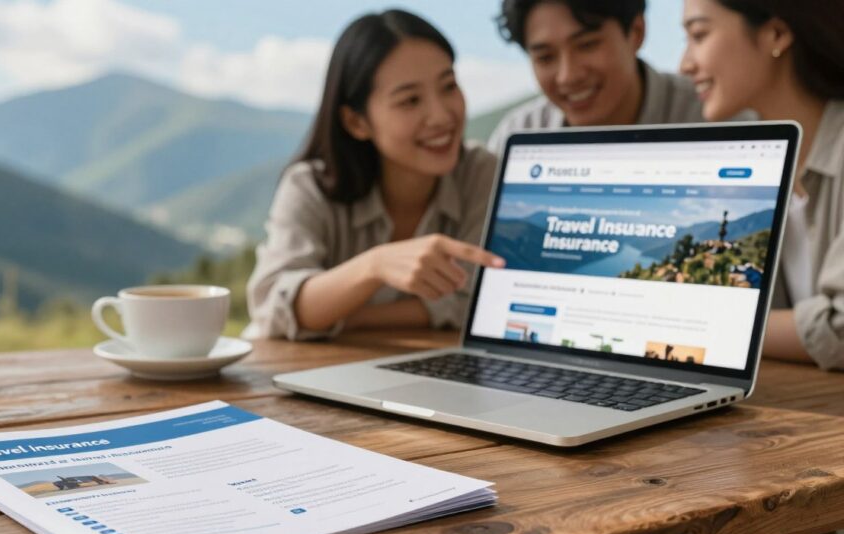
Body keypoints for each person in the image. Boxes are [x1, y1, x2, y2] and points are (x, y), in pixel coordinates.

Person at [246, 10, 505, 340]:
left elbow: (477, 303)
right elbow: (274, 306)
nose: (441, 116)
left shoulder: (481, 174)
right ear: (356, 122)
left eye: (448, 86)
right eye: (410, 100)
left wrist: (348, 318)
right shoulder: (309, 186)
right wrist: (374, 266)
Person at [681, 0, 844, 370]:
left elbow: (839, 328)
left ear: (776, 34)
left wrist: (705, 325)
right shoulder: (756, 162)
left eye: (699, 35)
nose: (684, 64)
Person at [488, 0, 725, 154]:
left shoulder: (714, 117)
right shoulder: (519, 133)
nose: (568, 76)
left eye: (587, 45)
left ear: (636, 32)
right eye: (546, 57)